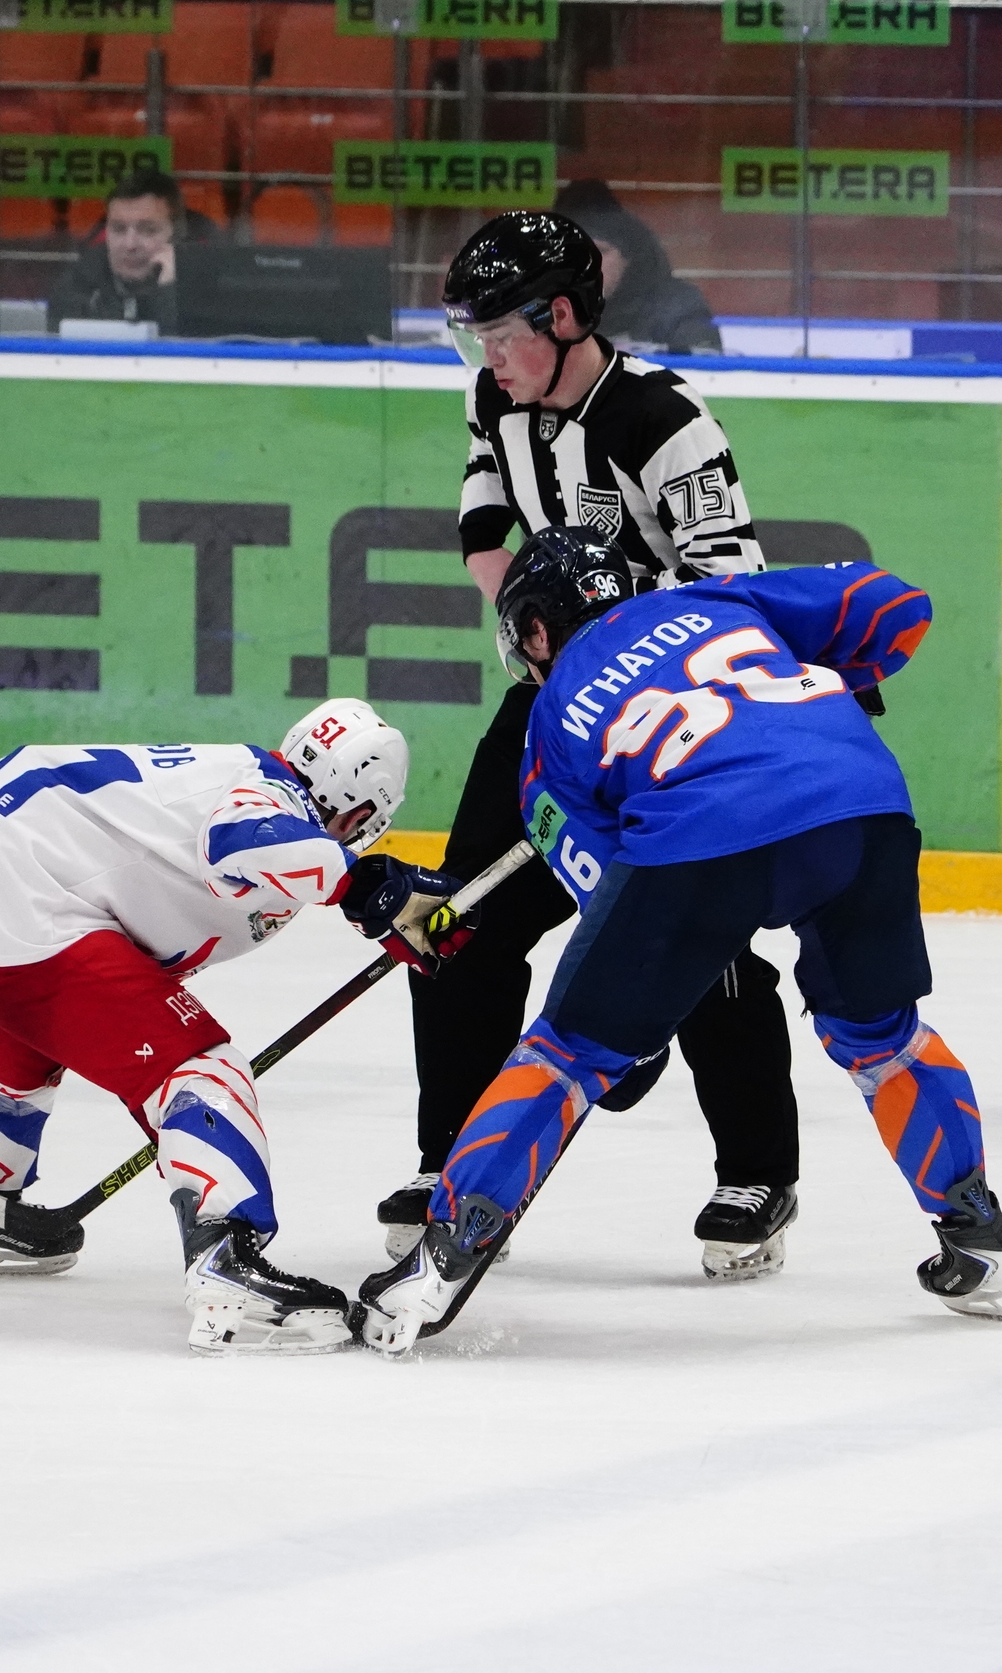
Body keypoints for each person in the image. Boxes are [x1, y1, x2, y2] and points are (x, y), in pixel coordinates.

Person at [352, 530, 1002, 1353]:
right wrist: (837, 681)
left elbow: (602, 881)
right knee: (882, 1038)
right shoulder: (715, 599)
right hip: (859, 798)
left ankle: (440, 1257)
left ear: (537, 629)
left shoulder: (546, 728)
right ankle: (982, 1241)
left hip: (705, 831)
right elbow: (895, 606)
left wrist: (628, 1029)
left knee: (566, 1053)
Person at [385, 209, 805, 1285]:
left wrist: (618, 654)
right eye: (474, 337)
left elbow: (732, 588)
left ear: (564, 316)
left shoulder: (665, 420)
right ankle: (454, 1163)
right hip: (551, 704)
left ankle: (756, 1174)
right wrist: (547, 656)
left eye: (501, 334)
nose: (486, 358)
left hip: (672, 716)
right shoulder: (495, 398)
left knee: (704, 943)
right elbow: (485, 534)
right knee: (457, 924)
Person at [0, 700, 417, 1355]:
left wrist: (372, 902)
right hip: (19, 907)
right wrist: (357, 883)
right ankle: (230, 1271)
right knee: (200, 1070)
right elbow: (238, 842)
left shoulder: (236, 775)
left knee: (25, 1049)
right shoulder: (263, 798)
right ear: (361, 811)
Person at [555, 178, 720, 356]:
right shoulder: (537, 307)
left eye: (600, 251)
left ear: (628, 259)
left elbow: (701, 368)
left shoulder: (677, 309)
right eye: (572, 251)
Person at [45, 167, 211, 333]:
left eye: (148, 230)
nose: (130, 245)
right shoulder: (82, 280)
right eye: (118, 229)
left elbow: (192, 343)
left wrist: (168, 291)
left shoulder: (209, 284)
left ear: (177, 234)